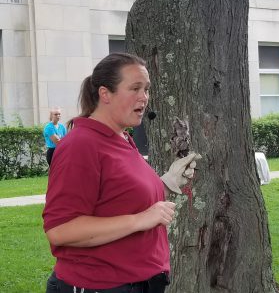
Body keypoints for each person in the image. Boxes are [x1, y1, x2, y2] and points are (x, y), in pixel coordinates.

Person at [42, 53, 200, 293]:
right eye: (135, 88)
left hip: (142, 281)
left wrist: (168, 182)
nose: (144, 97)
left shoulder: (122, 137)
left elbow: (121, 198)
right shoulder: (81, 144)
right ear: (105, 94)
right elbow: (60, 230)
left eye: (146, 89)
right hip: (101, 285)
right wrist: (139, 220)